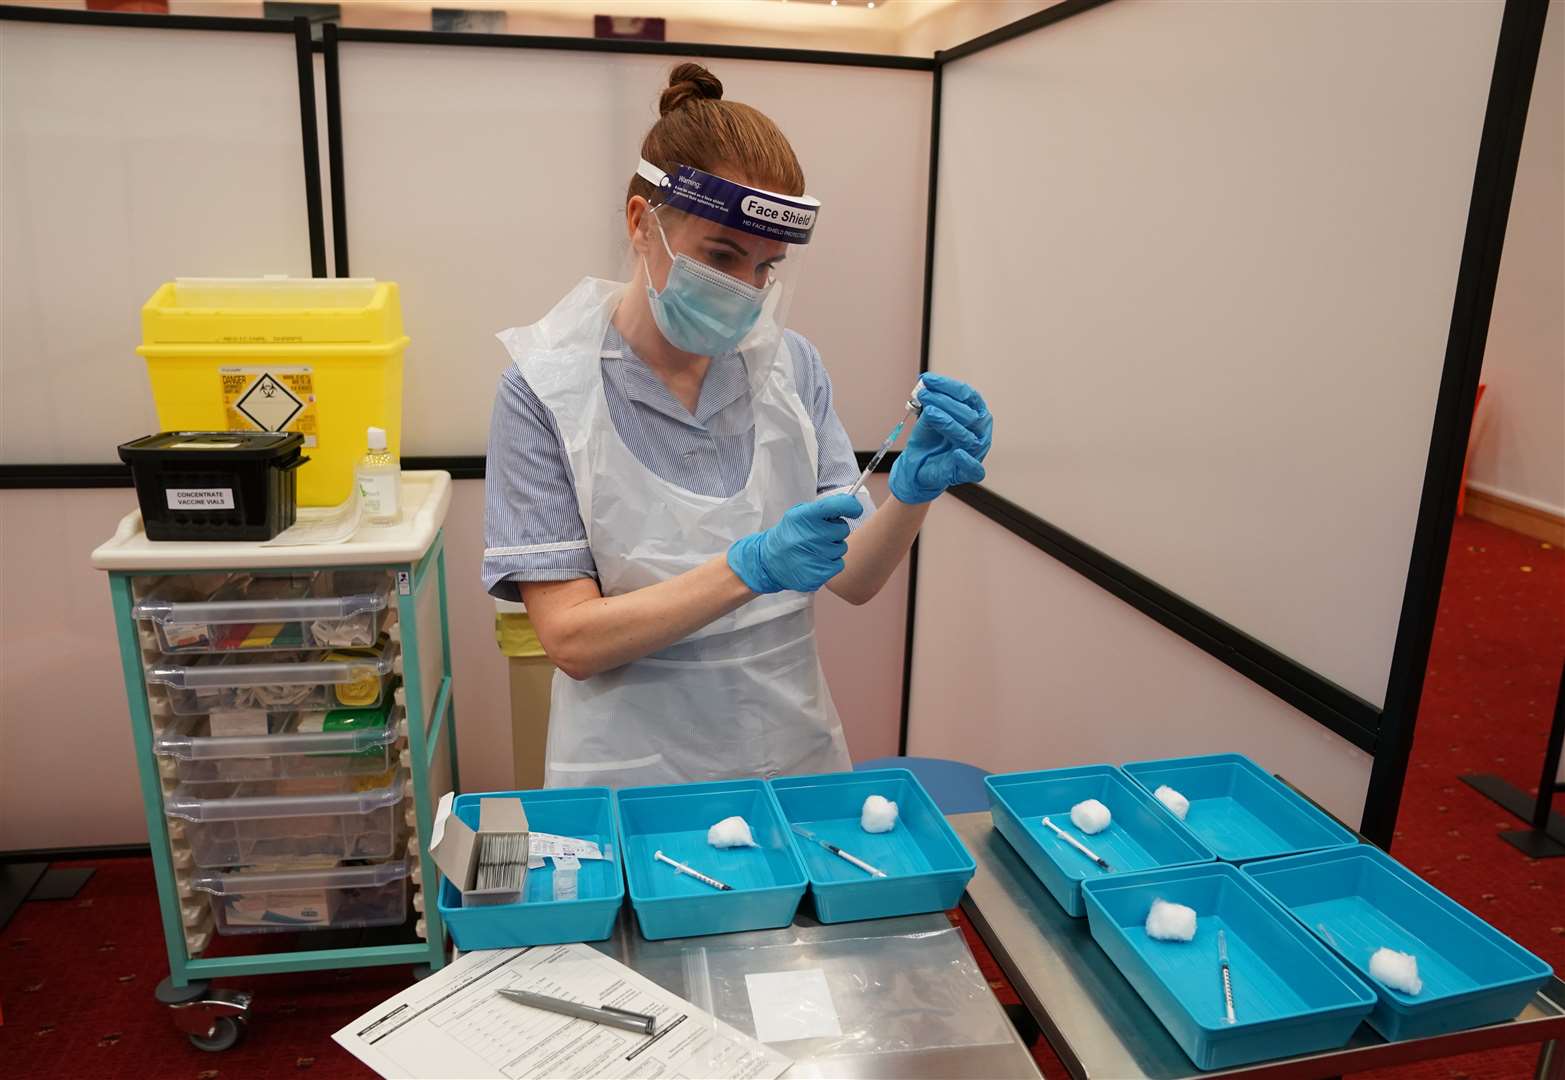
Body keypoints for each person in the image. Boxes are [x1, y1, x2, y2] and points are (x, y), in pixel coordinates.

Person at [484, 63, 992, 789]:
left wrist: (910, 494)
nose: (746, 291)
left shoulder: (788, 367)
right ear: (640, 222)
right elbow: (570, 639)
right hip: (633, 775)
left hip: (789, 753)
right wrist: (745, 568)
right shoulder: (546, 390)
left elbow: (852, 577)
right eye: (721, 257)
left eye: (766, 267)